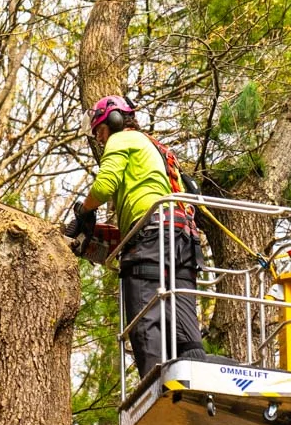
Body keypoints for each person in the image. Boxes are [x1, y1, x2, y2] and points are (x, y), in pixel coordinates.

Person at [69, 96, 209, 376]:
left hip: (152, 236)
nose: (99, 138)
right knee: (183, 320)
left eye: (99, 130)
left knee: (144, 316)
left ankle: (153, 386)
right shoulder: (158, 149)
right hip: (182, 238)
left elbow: (105, 184)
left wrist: (83, 212)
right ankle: (196, 378)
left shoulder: (121, 140)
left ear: (114, 121)